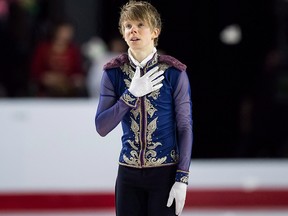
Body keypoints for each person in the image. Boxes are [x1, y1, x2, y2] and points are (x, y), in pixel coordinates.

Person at [95, 1, 193, 215]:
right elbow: (101, 127)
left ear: (155, 32)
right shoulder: (113, 73)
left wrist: (182, 178)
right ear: (122, 33)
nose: (134, 30)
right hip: (128, 175)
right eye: (128, 26)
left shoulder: (174, 72)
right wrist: (130, 95)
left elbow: (185, 127)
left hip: (165, 174)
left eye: (141, 24)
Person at [30, 20, 86, 97]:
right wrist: (47, 77)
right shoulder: (43, 48)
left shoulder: (73, 50)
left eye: (69, 30)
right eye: (64, 30)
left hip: (68, 89)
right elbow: (35, 71)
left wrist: (74, 80)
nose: (67, 33)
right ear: (56, 31)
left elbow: (79, 71)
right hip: (46, 91)